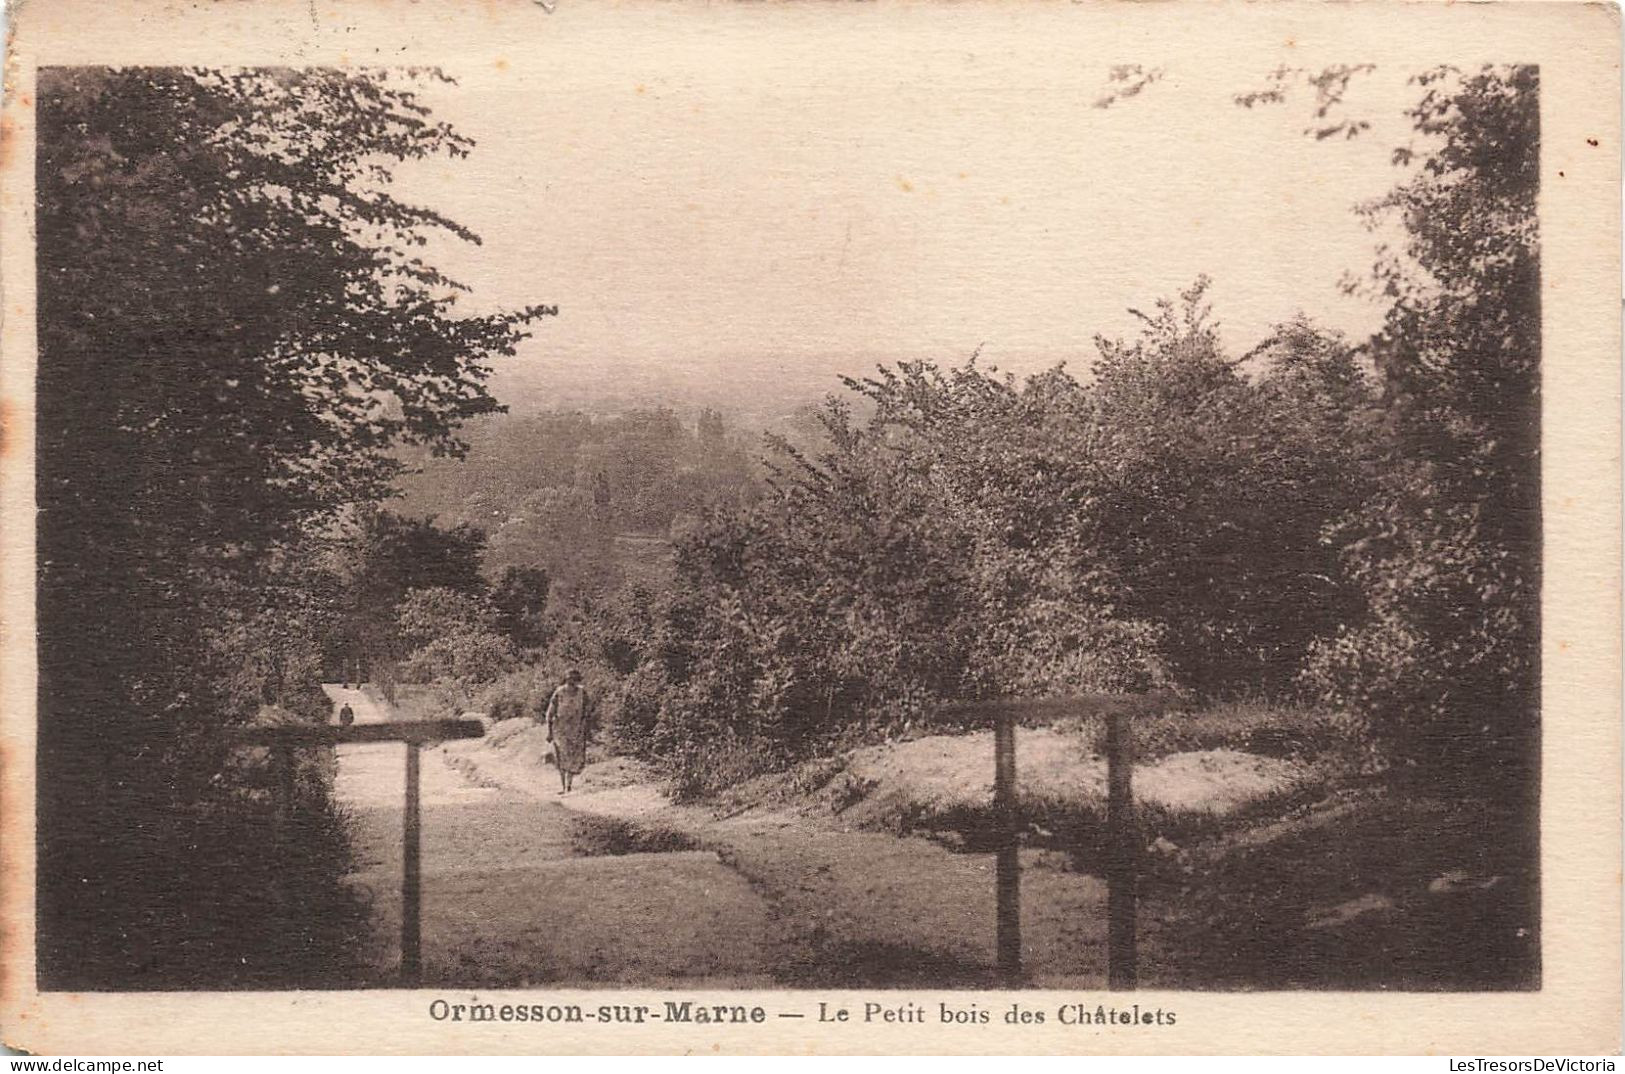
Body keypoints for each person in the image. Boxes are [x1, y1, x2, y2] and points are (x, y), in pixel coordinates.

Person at [544, 668, 591, 795]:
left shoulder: (582, 693)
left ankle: (569, 786)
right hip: (560, 729)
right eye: (570, 680)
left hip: (577, 730)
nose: (572, 683)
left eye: (575, 680)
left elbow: (587, 712)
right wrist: (549, 731)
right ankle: (563, 786)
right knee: (561, 757)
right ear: (566, 680)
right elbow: (550, 712)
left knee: (574, 757)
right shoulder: (559, 692)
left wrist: (585, 728)